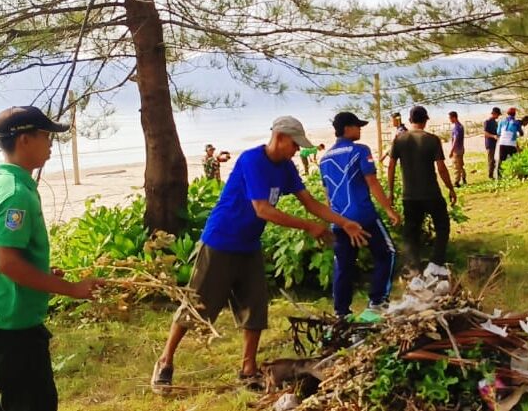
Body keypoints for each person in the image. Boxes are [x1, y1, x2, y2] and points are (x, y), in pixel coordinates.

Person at [152, 116, 368, 394]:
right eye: (294, 144)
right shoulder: (253, 160)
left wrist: (343, 222)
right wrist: (309, 227)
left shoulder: (287, 167)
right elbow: (262, 209)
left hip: (249, 245)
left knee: (255, 308)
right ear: (279, 137)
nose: (296, 151)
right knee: (197, 307)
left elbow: (310, 201)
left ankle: (248, 369)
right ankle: (165, 361)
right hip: (221, 241)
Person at [0, 106, 103, 411]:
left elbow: (13, 255)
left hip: (7, 314)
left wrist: (41, 271)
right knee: (34, 402)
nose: (50, 145)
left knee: (22, 396)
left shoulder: (1, 183)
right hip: (10, 323)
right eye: (46, 136)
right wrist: (73, 289)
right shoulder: (15, 194)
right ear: (24, 140)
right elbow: (6, 263)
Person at [320, 112, 402, 318]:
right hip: (363, 216)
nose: (360, 129)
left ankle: (341, 312)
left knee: (343, 265)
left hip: (339, 220)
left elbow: (327, 194)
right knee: (387, 252)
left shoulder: (324, 159)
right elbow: (372, 182)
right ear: (347, 128)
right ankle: (377, 301)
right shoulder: (360, 150)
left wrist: (331, 220)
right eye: (357, 126)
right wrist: (389, 209)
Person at [388, 106, 457, 277]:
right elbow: (441, 168)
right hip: (431, 193)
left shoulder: (399, 140)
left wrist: (390, 191)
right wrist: (450, 188)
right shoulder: (432, 140)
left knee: (411, 231)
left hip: (409, 195)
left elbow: (391, 167)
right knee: (442, 226)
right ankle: (436, 263)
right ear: (425, 120)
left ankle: (412, 268)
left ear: (410, 121)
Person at [497, 107, 523, 174]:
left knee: (502, 160)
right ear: (514, 114)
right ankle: (514, 173)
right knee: (514, 158)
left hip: (502, 143)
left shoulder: (501, 121)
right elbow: (521, 133)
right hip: (511, 143)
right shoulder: (516, 122)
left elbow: (498, 132)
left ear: (507, 113)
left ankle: (499, 175)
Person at [448, 111, 467, 187]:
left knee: (456, 166)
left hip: (457, 150)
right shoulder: (461, 126)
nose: (450, 120)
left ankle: (456, 182)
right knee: (460, 165)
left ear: (454, 117)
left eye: (450, 118)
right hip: (461, 148)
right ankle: (464, 178)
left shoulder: (456, 127)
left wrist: (451, 151)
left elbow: (455, 140)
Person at [484, 107, 501, 180]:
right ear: (494, 114)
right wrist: (493, 136)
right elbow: (485, 133)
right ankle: (490, 175)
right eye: (497, 115)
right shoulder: (487, 122)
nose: (498, 116)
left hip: (496, 143)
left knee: (496, 159)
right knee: (491, 160)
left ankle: (496, 174)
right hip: (490, 144)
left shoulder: (495, 122)